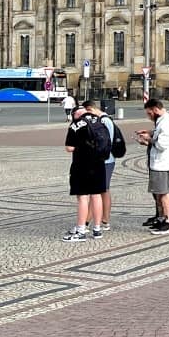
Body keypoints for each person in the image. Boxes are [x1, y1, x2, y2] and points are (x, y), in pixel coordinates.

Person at [63, 106, 107, 241]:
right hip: (99, 163)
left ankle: (81, 230)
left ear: (76, 115)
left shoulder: (76, 124)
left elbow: (69, 147)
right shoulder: (99, 121)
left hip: (82, 164)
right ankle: (97, 229)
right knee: (96, 195)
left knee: (82, 197)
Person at [137, 97, 169, 234]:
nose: (149, 116)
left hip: (163, 163)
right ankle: (162, 219)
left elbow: (162, 144)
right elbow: (159, 137)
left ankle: (168, 221)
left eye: (149, 113)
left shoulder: (166, 123)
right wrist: (150, 134)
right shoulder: (162, 121)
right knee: (159, 193)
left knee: (163, 193)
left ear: (156, 110)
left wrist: (149, 139)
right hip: (161, 162)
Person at [85, 98, 118, 230]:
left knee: (97, 191)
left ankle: (87, 221)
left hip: (103, 160)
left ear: (90, 110)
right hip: (108, 159)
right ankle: (105, 220)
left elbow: (102, 142)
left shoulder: (103, 121)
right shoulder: (107, 119)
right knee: (104, 190)